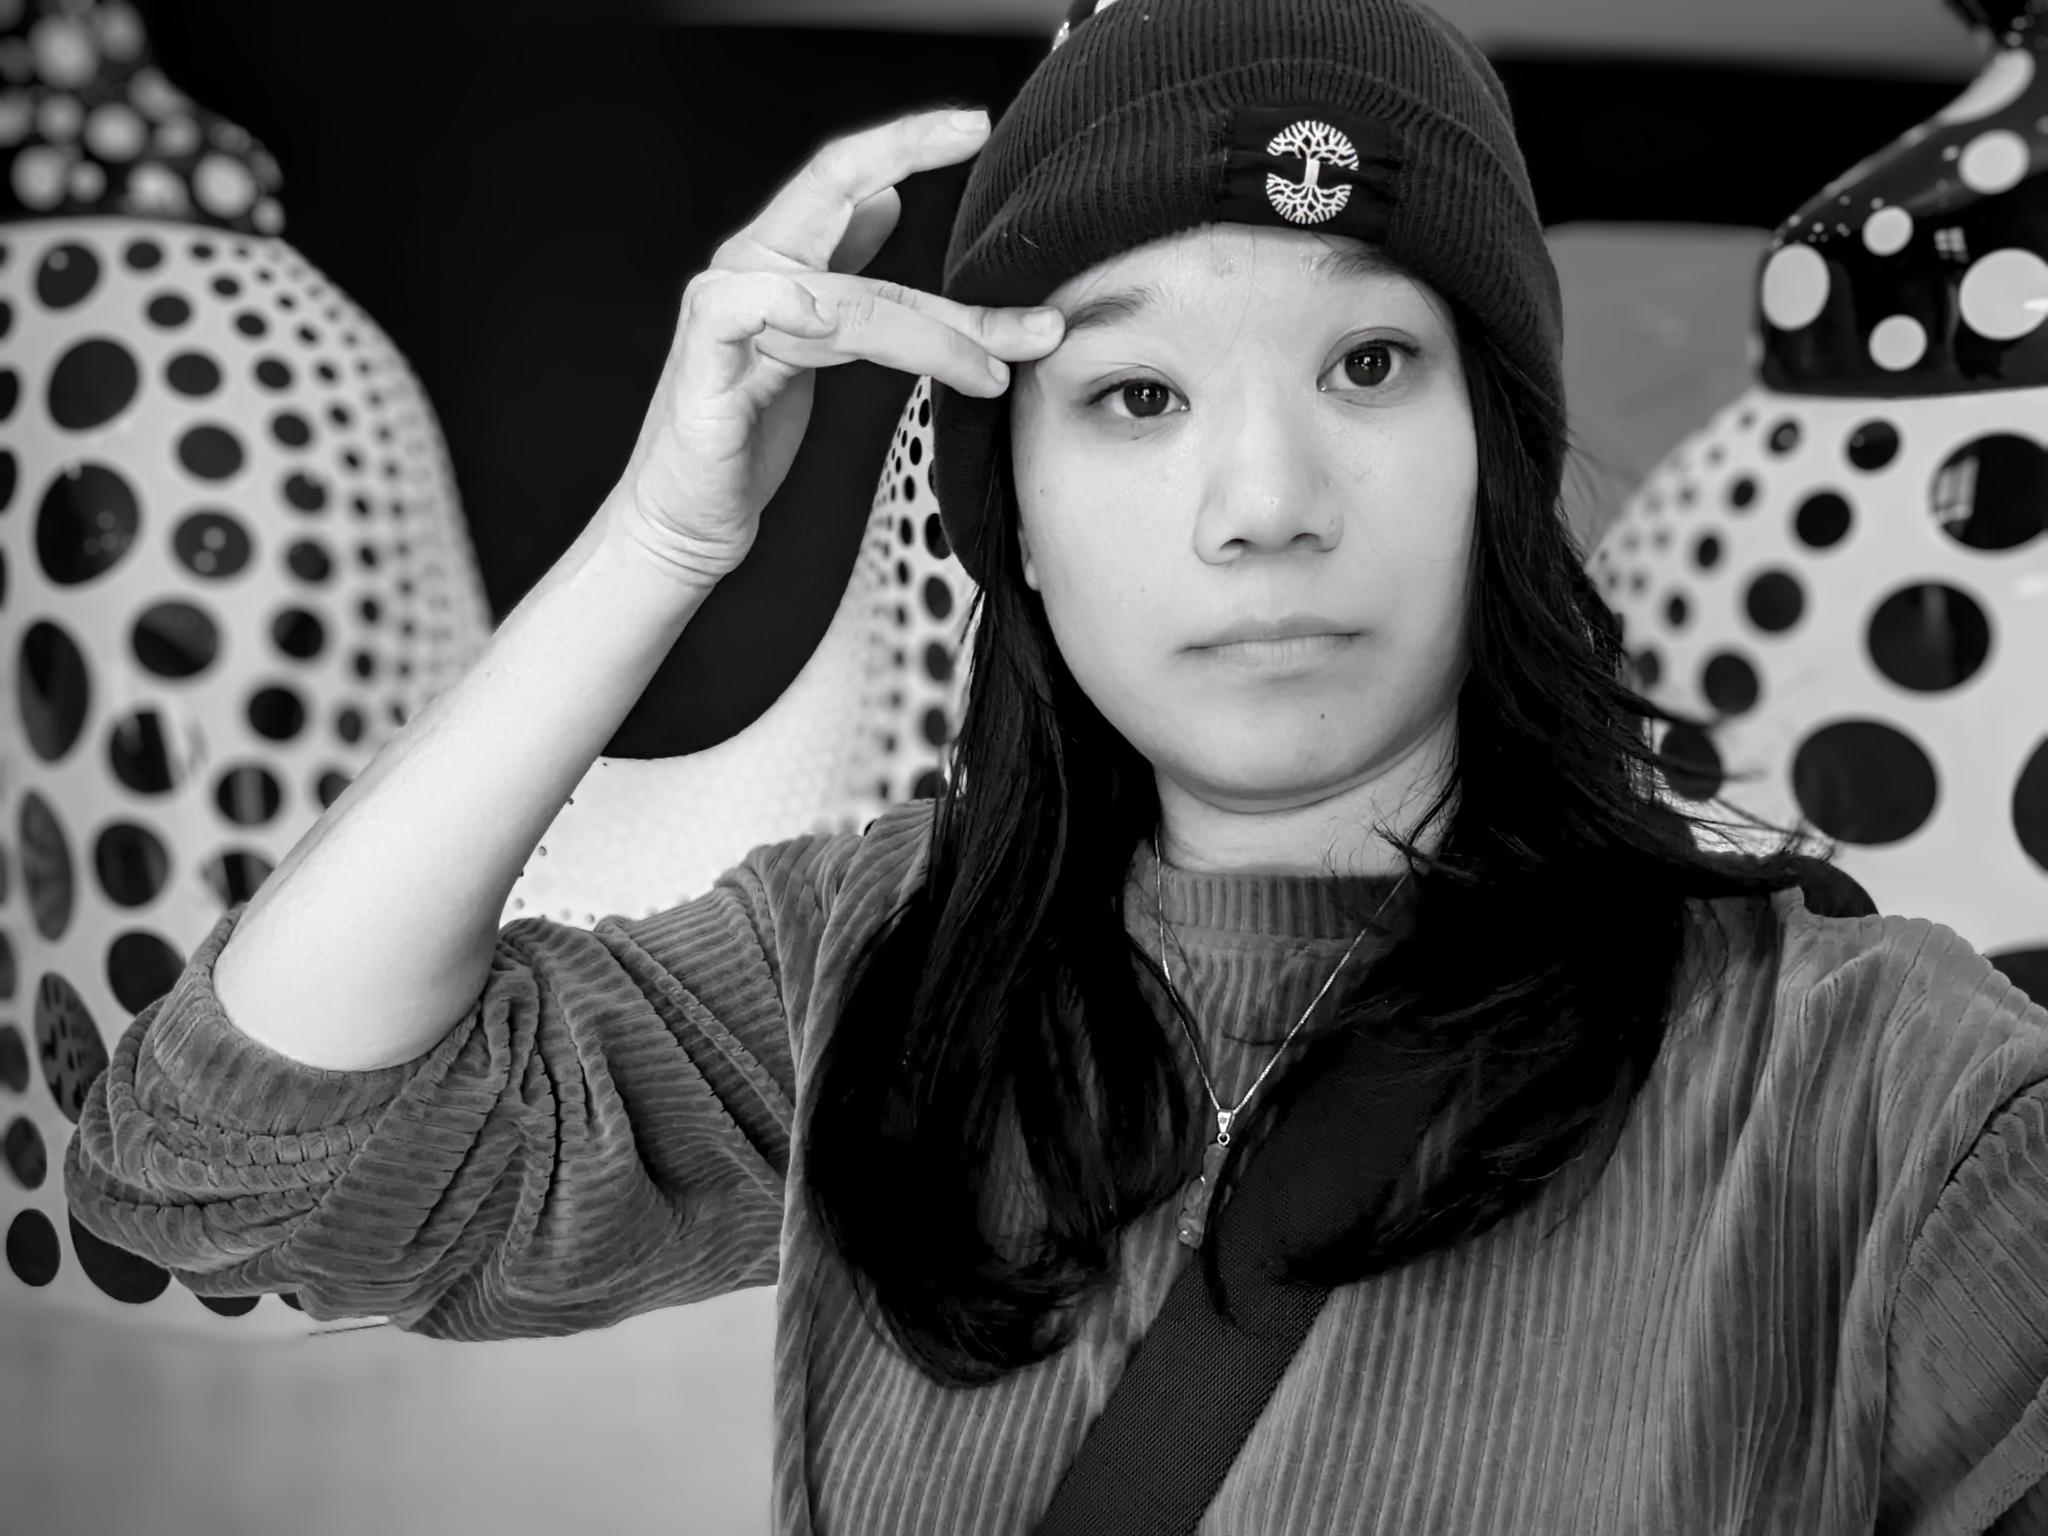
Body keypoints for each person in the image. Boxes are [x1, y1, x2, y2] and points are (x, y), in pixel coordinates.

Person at [64, 1, 2048, 1531]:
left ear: (1496, 458)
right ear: (1011, 515)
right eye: (1131, 394)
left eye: (1369, 365)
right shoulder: (867, 963)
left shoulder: (1875, 1085)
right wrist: (658, 545)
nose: (1261, 503)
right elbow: (223, 1158)